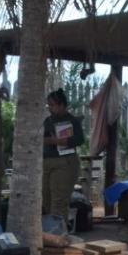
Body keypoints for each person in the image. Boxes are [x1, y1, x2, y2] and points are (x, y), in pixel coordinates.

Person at [41, 88, 85, 221]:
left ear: (62, 105)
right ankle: (49, 232)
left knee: (59, 201)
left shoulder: (73, 121)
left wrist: (59, 141)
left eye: (52, 105)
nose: (50, 108)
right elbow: (41, 137)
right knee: (45, 200)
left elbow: (79, 140)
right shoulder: (48, 121)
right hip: (46, 161)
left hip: (65, 162)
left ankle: (58, 233)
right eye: (48, 105)